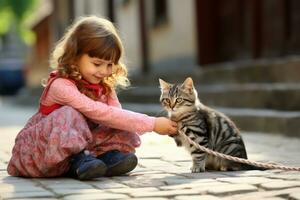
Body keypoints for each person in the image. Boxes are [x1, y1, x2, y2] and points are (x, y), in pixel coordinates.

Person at [7, 16, 177, 180]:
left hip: (86, 146)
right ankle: (77, 161)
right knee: (70, 114)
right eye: (97, 64)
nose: (103, 71)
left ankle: (105, 157)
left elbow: (114, 115)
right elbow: (97, 111)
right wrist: (152, 124)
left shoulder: (104, 87)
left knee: (118, 120)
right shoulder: (61, 86)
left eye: (110, 64)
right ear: (75, 57)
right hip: (45, 149)